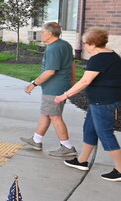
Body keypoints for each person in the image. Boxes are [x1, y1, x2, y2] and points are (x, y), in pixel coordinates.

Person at [55, 27, 121, 182]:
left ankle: (120, 169)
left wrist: (64, 95)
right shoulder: (112, 55)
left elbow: (85, 81)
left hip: (103, 102)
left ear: (92, 44)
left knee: (105, 133)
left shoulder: (98, 59)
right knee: (90, 128)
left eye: (85, 43)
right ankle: (82, 160)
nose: (84, 46)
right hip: (102, 101)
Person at [21, 22, 77, 157]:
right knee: (46, 114)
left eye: (42, 32)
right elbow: (72, 64)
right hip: (60, 86)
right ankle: (36, 140)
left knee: (55, 116)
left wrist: (33, 84)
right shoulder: (65, 45)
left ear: (50, 34)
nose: (41, 34)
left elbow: (50, 71)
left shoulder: (53, 48)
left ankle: (67, 146)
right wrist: (72, 82)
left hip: (53, 89)